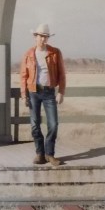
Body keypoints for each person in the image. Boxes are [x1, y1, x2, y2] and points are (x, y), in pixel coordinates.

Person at [19, 23, 66, 166]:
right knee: (35, 124)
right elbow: (23, 75)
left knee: (53, 124)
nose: (43, 39)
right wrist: (24, 95)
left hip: (49, 92)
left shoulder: (55, 53)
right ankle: (40, 154)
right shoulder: (28, 54)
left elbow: (62, 74)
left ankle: (49, 154)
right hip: (33, 92)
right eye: (41, 36)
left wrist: (61, 92)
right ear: (35, 37)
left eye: (46, 37)